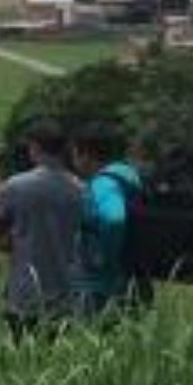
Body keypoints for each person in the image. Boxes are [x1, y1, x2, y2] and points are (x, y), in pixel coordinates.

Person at [0, 123, 84, 337]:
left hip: (24, 294)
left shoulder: (15, 186)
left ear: (34, 148)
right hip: (66, 297)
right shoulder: (81, 190)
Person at [71, 127, 145, 316]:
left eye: (75, 155)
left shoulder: (103, 184)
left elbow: (114, 219)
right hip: (133, 278)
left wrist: (106, 258)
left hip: (102, 288)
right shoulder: (128, 176)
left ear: (85, 155)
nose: (74, 162)